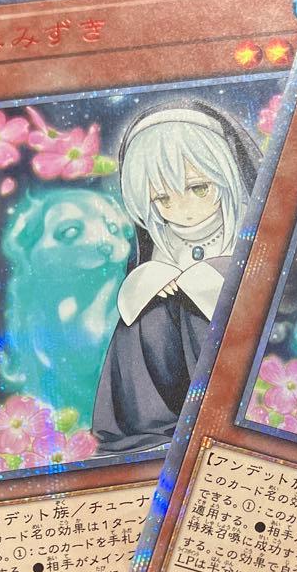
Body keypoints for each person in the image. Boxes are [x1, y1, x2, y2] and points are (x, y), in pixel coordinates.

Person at [92, 100, 258, 452]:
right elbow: (149, 276)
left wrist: (205, 278)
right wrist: (156, 278)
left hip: (229, 340)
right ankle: (149, 423)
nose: (183, 210)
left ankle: (217, 416)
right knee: (145, 315)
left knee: (197, 310)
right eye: (163, 199)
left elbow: (258, 282)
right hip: (172, 347)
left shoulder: (247, 223)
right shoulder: (161, 234)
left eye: (199, 188)